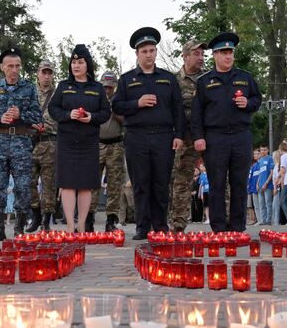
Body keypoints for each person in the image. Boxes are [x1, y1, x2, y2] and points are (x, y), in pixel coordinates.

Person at [112, 27, 185, 239]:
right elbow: (117, 106)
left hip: (163, 136)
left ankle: (161, 225)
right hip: (137, 136)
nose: (149, 54)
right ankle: (142, 227)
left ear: (156, 52)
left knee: (161, 183)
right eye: (144, 51)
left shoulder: (168, 79)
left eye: (152, 50)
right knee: (141, 183)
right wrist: (137, 103)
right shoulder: (127, 79)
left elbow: (178, 109)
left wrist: (178, 135)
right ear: (137, 54)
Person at [191, 32, 261, 232]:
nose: (228, 56)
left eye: (230, 52)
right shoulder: (205, 81)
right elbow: (197, 114)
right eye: (223, 52)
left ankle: (238, 228)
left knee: (240, 184)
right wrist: (198, 138)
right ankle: (219, 228)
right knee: (217, 184)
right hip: (215, 138)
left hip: (241, 135)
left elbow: (258, 100)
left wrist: (248, 103)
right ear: (215, 55)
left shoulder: (245, 78)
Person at [0, 46, 42, 240]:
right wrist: (0, 118)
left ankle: (19, 229)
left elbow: (38, 115)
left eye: (17, 66)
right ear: (2, 67)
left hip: (22, 142)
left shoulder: (29, 87)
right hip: (0, 142)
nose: (14, 70)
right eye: (10, 66)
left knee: (22, 187)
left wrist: (21, 115)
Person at [48, 44, 111, 233]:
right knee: (67, 184)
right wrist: (68, 115)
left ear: (87, 65)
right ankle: (69, 226)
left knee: (85, 184)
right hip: (67, 142)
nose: (76, 66)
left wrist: (91, 117)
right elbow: (53, 109)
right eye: (73, 62)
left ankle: (82, 224)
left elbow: (106, 113)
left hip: (88, 142)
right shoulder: (63, 86)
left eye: (80, 62)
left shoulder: (97, 88)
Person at [169, 39, 208, 232]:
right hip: (183, 138)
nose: (201, 58)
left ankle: (223, 223)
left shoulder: (208, 79)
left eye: (202, 54)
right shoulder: (173, 80)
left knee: (218, 179)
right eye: (196, 54)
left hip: (207, 136)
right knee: (181, 180)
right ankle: (178, 224)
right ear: (185, 56)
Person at [88, 71, 126, 233]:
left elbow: (127, 120)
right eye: (105, 87)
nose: (107, 90)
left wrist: (115, 111)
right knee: (92, 183)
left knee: (114, 185)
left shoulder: (120, 101)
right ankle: (88, 218)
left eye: (110, 87)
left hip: (116, 145)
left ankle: (111, 219)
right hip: (97, 145)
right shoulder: (94, 100)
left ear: (115, 87)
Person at [26, 60, 57, 233]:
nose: (46, 76)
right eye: (43, 72)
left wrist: (48, 127)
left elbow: (62, 117)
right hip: (31, 143)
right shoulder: (30, 93)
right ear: (38, 73)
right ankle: (35, 214)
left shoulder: (58, 94)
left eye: (49, 72)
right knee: (28, 181)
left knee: (48, 184)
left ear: (52, 75)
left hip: (50, 142)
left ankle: (46, 220)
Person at [256, 145, 274, 225]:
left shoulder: (270, 158)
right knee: (261, 204)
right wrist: (257, 183)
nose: (263, 151)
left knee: (268, 203)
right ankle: (263, 220)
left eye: (264, 150)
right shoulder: (260, 160)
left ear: (268, 150)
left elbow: (272, 172)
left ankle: (268, 220)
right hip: (260, 185)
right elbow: (260, 173)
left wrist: (266, 183)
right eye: (261, 150)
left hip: (268, 185)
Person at [247, 149, 260, 225]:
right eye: (254, 154)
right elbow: (250, 177)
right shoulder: (253, 166)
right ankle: (258, 220)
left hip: (258, 187)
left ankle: (260, 219)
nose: (256, 155)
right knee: (255, 205)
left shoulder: (259, 164)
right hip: (252, 188)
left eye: (257, 154)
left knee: (261, 205)